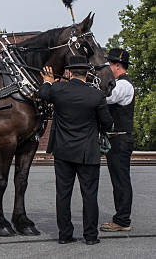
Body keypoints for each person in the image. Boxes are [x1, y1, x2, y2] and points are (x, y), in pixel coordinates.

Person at [39, 55, 113, 245]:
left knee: (63, 194)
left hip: (63, 152)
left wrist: (47, 81)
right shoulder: (97, 95)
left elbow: (43, 94)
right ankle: (90, 236)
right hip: (88, 153)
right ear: (87, 73)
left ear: (69, 72)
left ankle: (65, 235)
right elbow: (107, 124)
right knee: (89, 195)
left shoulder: (58, 90)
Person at [100, 48, 135, 232]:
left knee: (121, 180)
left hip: (120, 139)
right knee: (119, 179)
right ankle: (121, 217)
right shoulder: (121, 83)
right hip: (117, 139)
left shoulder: (123, 85)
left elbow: (107, 98)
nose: (108, 70)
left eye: (110, 65)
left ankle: (122, 219)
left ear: (117, 66)